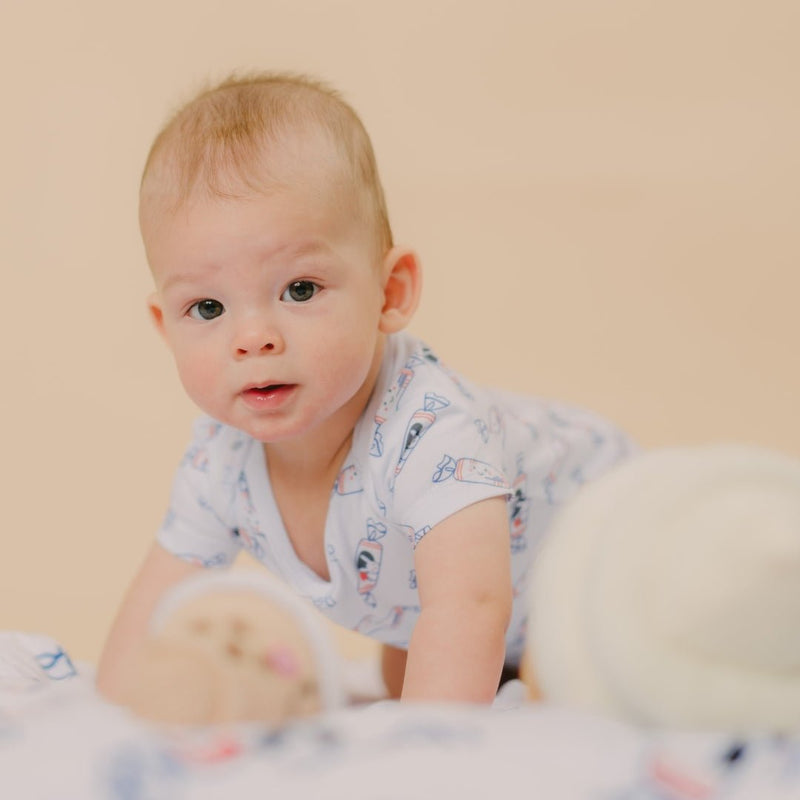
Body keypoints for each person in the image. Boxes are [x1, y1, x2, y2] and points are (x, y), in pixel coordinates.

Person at [96, 72, 633, 705]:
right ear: (166, 327)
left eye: (299, 290)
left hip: (614, 552)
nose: (252, 337)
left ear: (392, 292)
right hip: (478, 609)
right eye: (208, 308)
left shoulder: (432, 432)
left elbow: (472, 603)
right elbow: (144, 632)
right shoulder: (221, 461)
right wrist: (118, 707)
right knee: (401, 676)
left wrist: (420, 751)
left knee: (555, 679)